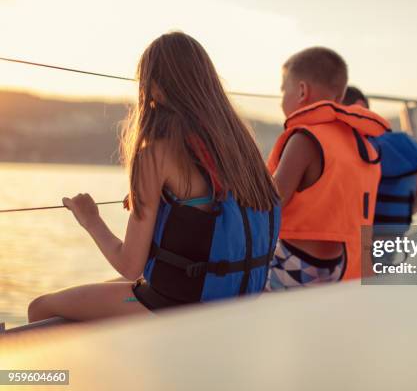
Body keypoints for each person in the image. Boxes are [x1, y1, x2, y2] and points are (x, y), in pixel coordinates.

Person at [27, 32, 280, 322]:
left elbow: (129, 265)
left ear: (155, 87)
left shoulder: (156, 151)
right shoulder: (240, 144)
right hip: (238, 297)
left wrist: (90, 218)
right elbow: (212, 208)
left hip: (179, 303)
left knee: (41, 308)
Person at [266, 47, 391, 290]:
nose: (282, 98)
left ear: (302, 91)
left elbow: (271, 201)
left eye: (283, 89)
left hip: (297, 262)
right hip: (338, 264)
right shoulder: (360, 144)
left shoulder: (305, 139)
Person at [343, 85, 417, 220]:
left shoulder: (353, 149)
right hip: (395, 237)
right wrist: (401, 219)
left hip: (363, 238)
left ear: (359, 107)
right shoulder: (398, 147)